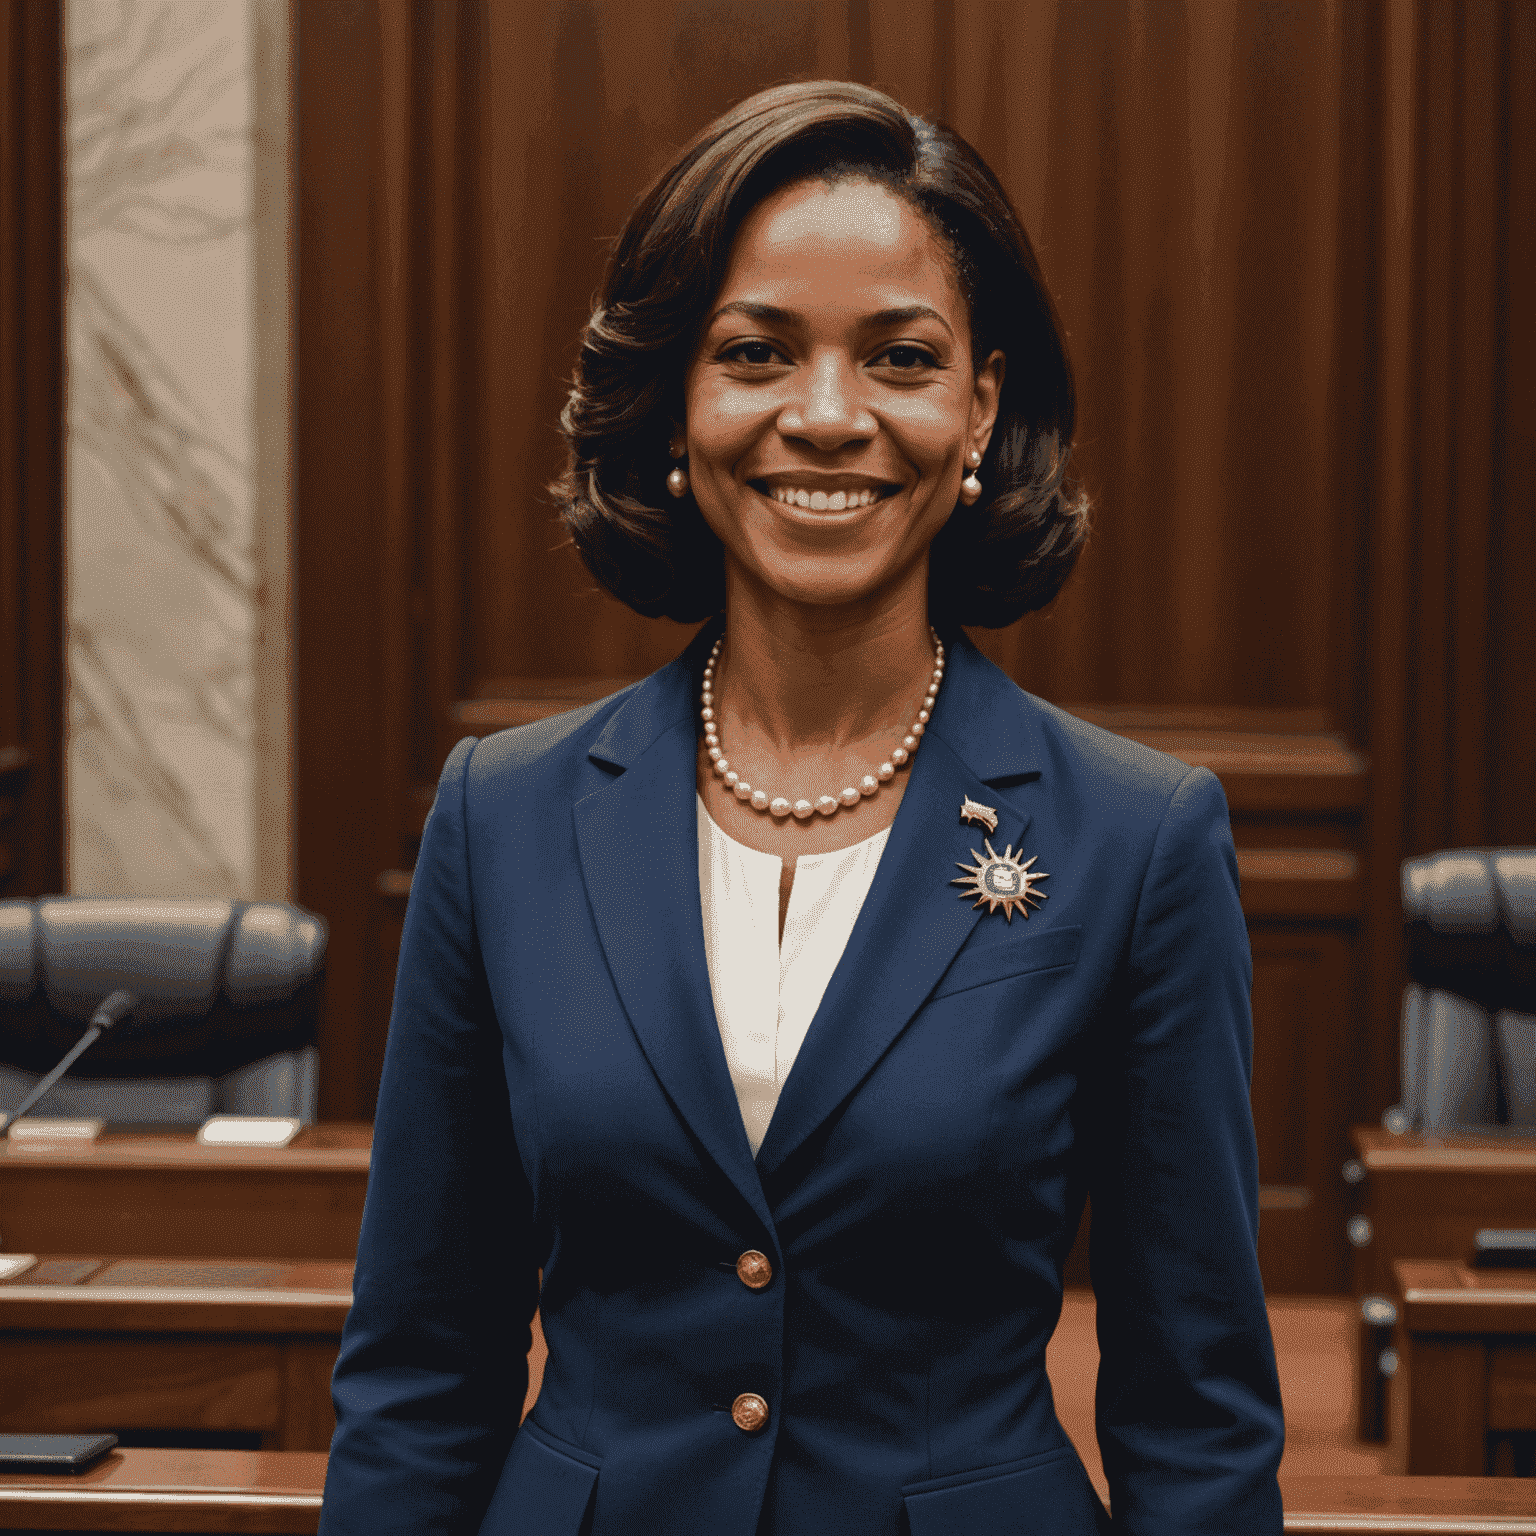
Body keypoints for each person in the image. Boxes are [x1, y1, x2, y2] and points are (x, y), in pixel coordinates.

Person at [318, 79, 1285, 1536]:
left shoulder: (1136, 841)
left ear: (980, 408)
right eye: (756, 353)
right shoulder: (502, 816)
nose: (826, 417)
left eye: (900, 357)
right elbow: (421, 1369)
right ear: (675, 404)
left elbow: (1194, 1412)